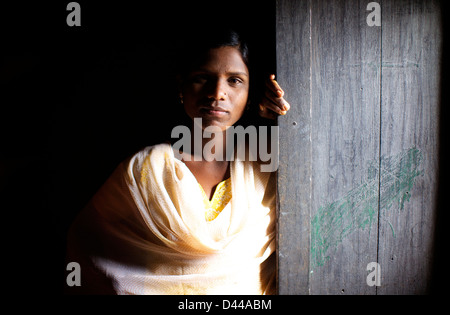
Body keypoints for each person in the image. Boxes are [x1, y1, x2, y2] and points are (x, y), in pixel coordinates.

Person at [65, 28, 290, 295]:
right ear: (182, 86)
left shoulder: (268, 167)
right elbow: (86, 247)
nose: (217, 92)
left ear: (252, 93)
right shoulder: (146, 169)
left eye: (234, 81)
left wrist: (278, 122)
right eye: (202, 78)